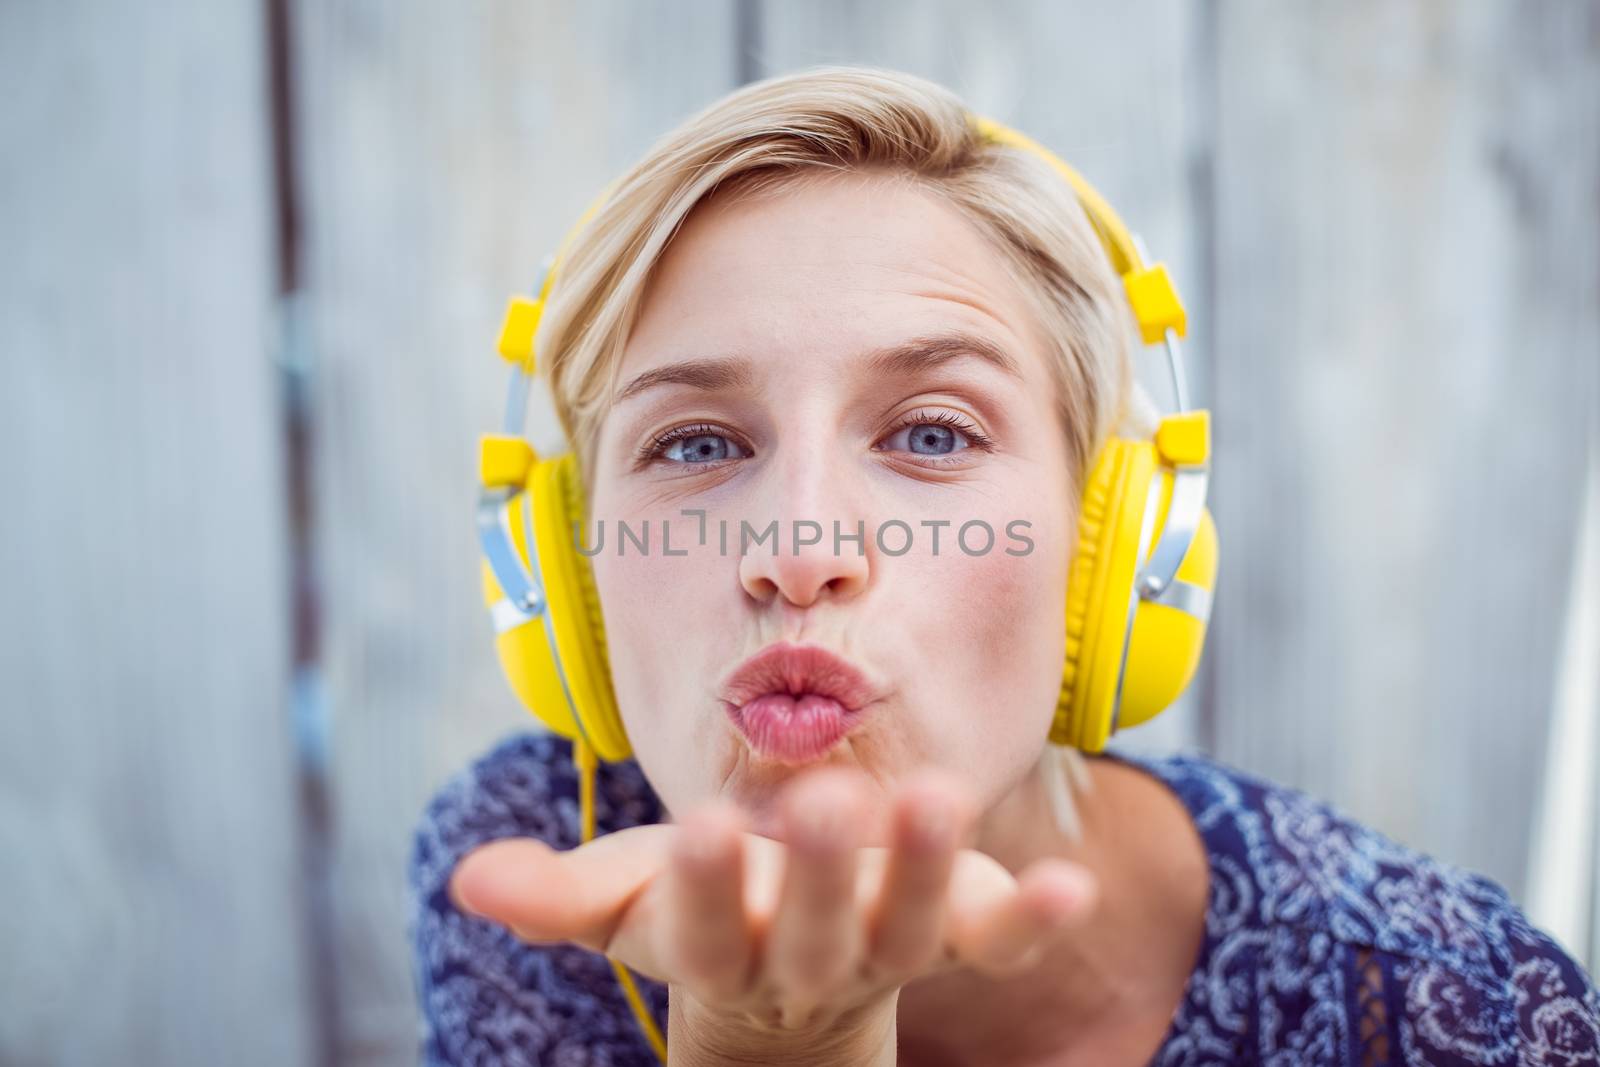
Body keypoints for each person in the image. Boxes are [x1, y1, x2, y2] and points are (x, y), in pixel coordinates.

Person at [408, 65, 1600, 1065]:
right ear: (568, 573)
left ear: (1104, 547)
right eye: (697, 443)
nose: (801, 550)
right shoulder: (527, 876)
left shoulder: (1455, 1010)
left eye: (931, 433)